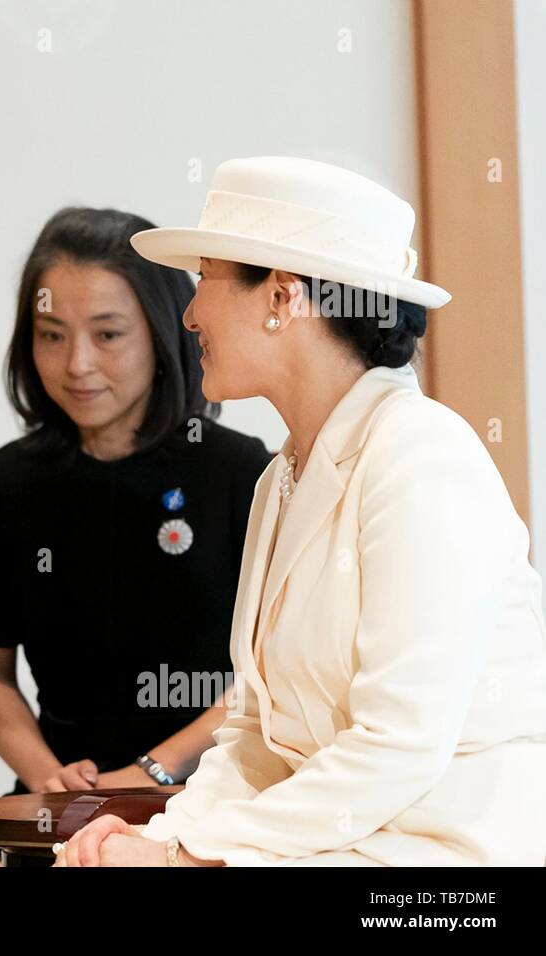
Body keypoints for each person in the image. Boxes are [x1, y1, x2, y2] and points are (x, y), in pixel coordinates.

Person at [54, 156, 546, 867]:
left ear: (282, 297)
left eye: (206, 281)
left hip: (445, 862)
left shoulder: (422, 456)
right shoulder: (281, 476)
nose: (189, 315)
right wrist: (156, 835)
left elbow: (397, 746)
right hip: (340, 843)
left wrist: (181, 860)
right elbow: (252, 735)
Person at [0, 207, 272, 796]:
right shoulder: (6, 481)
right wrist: (50, 780)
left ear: (163, 330)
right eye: (52, 335)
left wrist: (148, 774)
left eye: (108, 334)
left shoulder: (242, 471)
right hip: (61, 800)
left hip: (211, 794)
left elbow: (266, 672)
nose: (77, 364)